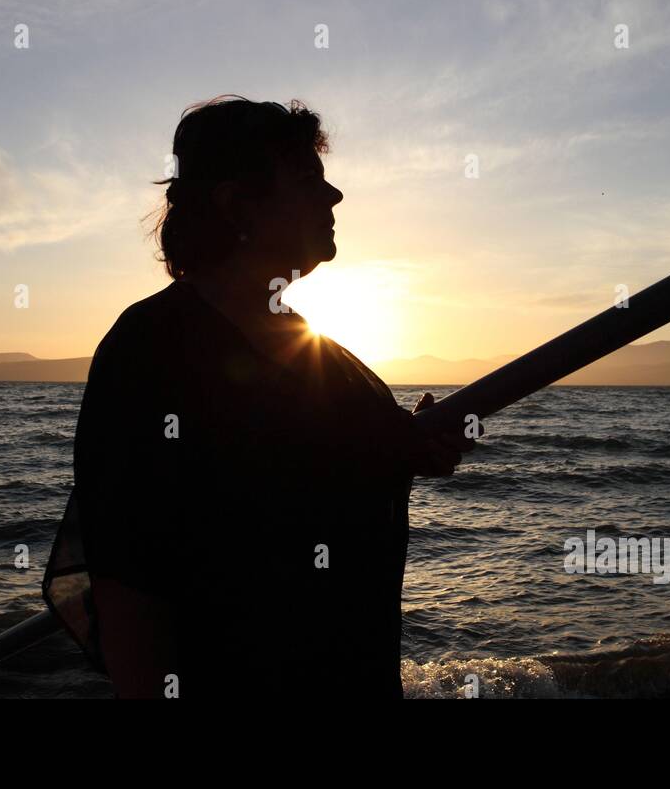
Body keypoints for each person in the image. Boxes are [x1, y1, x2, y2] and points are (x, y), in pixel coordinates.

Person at [42, 95, 474, 699]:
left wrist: (411, 445)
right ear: (237, 202)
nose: (335, 197)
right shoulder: (154, 347)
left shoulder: (313, 347)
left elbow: (318, 460)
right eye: (309, 181)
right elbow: (129, 587)